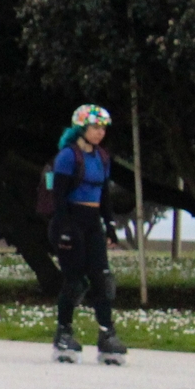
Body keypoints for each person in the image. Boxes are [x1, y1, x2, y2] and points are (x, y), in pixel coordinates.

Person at [49, 102, 127, 363]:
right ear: (81, 128)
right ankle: (63, 332)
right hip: (69, 220)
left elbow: (104, 196)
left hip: (93, 222)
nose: (100, 133)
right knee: (75, 281)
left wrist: (111, 226)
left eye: (103, 128)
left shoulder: (102, 158)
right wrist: (65, 229)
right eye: (95, 127)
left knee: (103, 279)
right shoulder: (68, 156)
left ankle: (107, 334)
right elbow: (58, 196)